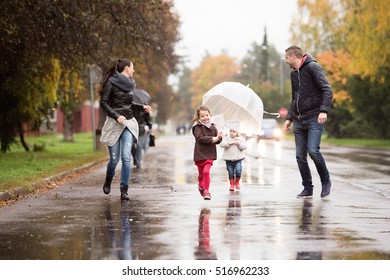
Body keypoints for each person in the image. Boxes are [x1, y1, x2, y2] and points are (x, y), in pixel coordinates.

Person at [283, 45, 333, 198]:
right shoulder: (293, 74)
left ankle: (325, 181)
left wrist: (323, 110)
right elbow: (295, 97)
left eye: (286, 58)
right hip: (299, 119)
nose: (285, 61)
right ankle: (308, 188)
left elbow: (327, 89)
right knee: (300, 156)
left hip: (313, 117)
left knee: (313, 150)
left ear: (293, 56)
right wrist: (289, 118)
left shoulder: (313, 67)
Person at [99, 58, 151, 201]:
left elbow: (128, 104)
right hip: (114, 124)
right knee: (114, 160)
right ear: (127, 68)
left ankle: (124, 189)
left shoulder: (130, 84)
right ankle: (109, 179)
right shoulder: (110, 82)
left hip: (128, 123)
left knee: (126, 157)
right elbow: (103, 103)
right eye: (132, 68)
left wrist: (142, 107)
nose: (134, 70)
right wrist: (116, 116)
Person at [192, 105, 222, 200]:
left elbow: (217, 141)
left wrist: (219, 137)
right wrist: (213, 138)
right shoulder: (197, 127)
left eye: (207, 115)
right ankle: (201, 186)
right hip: (200, 154)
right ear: (199, 117)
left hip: (210, 154)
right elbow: (200, 138)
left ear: (210, 115)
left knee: (206, 172)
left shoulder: (213, 127)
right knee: (201, 174)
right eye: (202, 116)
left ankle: (207, 191)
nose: (205, 118)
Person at [220, 122, 247, 192]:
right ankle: (231, 184)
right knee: (230, 172)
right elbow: (221, 145)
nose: (231, 133)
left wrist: (239, 144)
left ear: (237, 133)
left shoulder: (240, 139)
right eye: (230, 131)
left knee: (238, 170)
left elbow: (244, 147)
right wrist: (228, 143)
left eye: (234, 131)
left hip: (238, 159)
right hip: (228, 159)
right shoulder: (227, 138)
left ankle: (237, 182)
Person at [131, 89, 152, 169]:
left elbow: (147, 118)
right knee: (132, 145)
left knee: (139, 145)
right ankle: (135, 159)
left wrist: (149, 125)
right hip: (131, 127)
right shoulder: (131, 106)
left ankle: (138, 161)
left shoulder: (145, 107)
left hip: (140, 128)